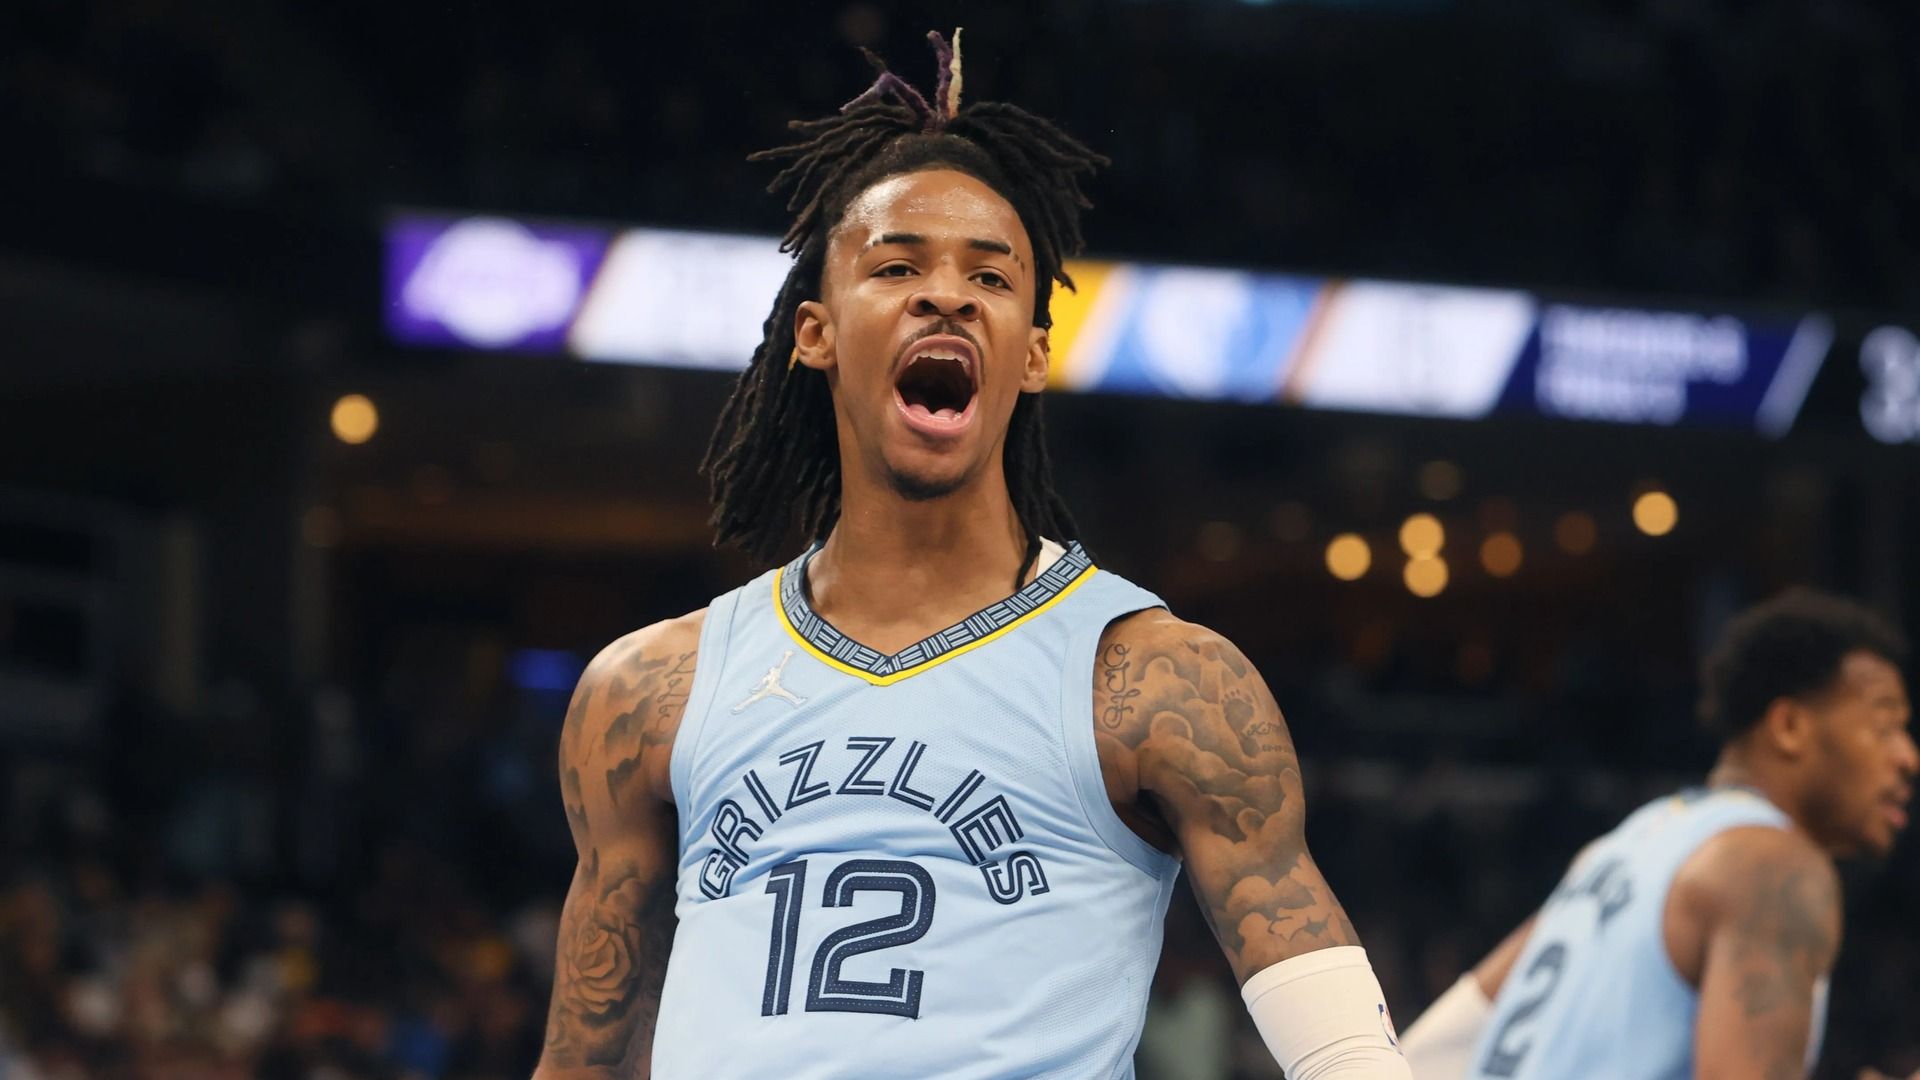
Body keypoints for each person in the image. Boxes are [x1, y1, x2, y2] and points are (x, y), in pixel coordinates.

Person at [533, 30, 1409, 1080]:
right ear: (814, 333)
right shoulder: (647, 692)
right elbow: (579, 1063)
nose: (945, 294)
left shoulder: (1159, 682)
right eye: (897, 266)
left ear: (1033, 354)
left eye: (990, 277)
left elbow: (1349, 1057)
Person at [1400, 588, 1918, 1079]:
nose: (1908, 757)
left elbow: (1432, 1050)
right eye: (1885, 727)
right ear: (1789, 727)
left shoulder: (1624, 846)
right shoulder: (1772, 865)